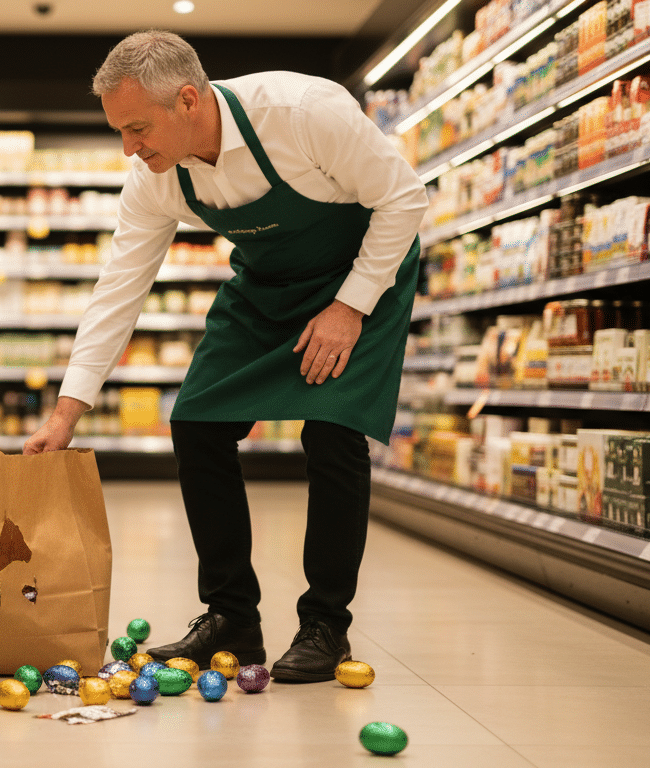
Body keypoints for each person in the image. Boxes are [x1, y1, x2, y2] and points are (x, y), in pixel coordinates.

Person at [23, 30, 427, 682]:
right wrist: (67, 412)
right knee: (195, 422)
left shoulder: (302, 114)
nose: (128, 147)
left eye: (136, 128)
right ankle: (233, 616)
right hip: (266, 288)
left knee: (331, 431)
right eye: (120, 132)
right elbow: (118, 290)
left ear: (188, 99)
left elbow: (404, 196)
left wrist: (350, 306)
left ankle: (327, 624)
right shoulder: (156, 178)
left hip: (361, 276)